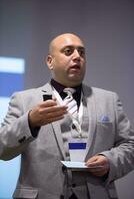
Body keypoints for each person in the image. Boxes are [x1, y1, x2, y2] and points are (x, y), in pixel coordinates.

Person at [0, 33, 134, 199]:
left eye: (82, 52)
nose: (77, 56)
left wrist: (110, 161)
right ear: (50, 61)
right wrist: (29, 122)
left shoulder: (109, 100)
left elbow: (130, 145)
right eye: (68, 51)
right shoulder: (23, 100)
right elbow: (2, 148)